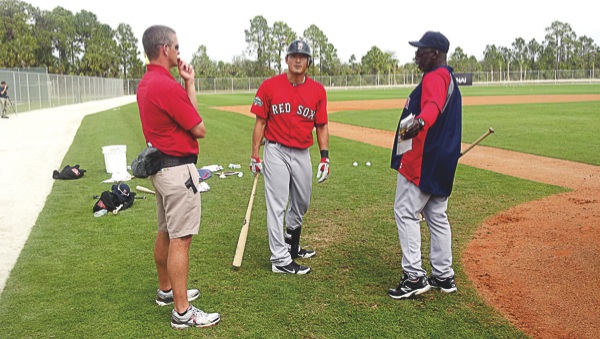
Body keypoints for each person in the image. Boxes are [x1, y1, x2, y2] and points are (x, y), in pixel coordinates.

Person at [137, 25, 220, 329]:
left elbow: (189, 119)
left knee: (166, 232)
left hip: (161, 169)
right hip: (177, 171)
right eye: (176, 46)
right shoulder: (165, 85)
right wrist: (185, 86)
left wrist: (190, 82)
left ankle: (166, 291)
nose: (178, 52)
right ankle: (182, 312)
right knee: (181, 239)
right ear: (164, 49)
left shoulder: (147, 82)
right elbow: (198, 128)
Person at [387, 31, 462, 299]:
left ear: (435, 53)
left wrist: (419, 123)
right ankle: (443, 276)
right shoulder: (448, 78)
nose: (416, 55)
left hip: (423, 159)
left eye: (421, 50)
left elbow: (430, 108)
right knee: (436, 215)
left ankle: (414, 277)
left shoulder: (435, 76)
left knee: (405, 212)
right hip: (441, 159)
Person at [250, 39, 330, 275]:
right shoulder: (269, 86)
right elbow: (260, 122)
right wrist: (255, 154)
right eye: (294, 55)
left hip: (302, 151)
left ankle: (291, 241)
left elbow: (322, 125)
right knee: (276, 205)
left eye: (302, 56)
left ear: (308, 62)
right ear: (286, 59)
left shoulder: (317, 91)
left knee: (302, 201)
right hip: (275, 149)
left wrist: (324, 157)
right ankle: (279, 258)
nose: (298, 59)